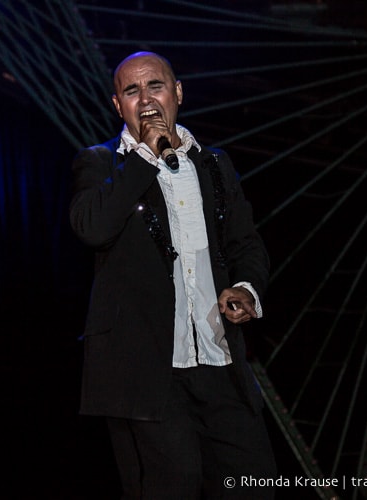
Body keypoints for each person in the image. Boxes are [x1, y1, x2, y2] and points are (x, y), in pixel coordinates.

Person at [69, 51, 277, 499]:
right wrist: (145, 156)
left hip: (218, 361)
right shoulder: (101, 164)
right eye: (131, 91)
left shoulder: (215, 165)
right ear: (117, 105)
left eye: (155, 86)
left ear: (178, 93)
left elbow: (246, 244)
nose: (145, 99)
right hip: (148, 373)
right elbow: (92, 229)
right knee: (171, 486)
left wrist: (245, 288)